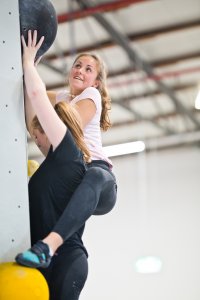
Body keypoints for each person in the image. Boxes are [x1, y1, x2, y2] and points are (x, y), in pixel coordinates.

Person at [16, 29, 117, 298]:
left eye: (88, 69)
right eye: (77, 65)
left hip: (100, 180)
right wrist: (29, 69)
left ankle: (49, 245)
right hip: (76, 182)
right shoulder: (62, 97)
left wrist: (29, 64)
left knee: (94, 175)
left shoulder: (90, 97)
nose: (80, 70)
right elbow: (34, 114)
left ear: (96, 82)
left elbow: (67, 124)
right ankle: (52, 245)